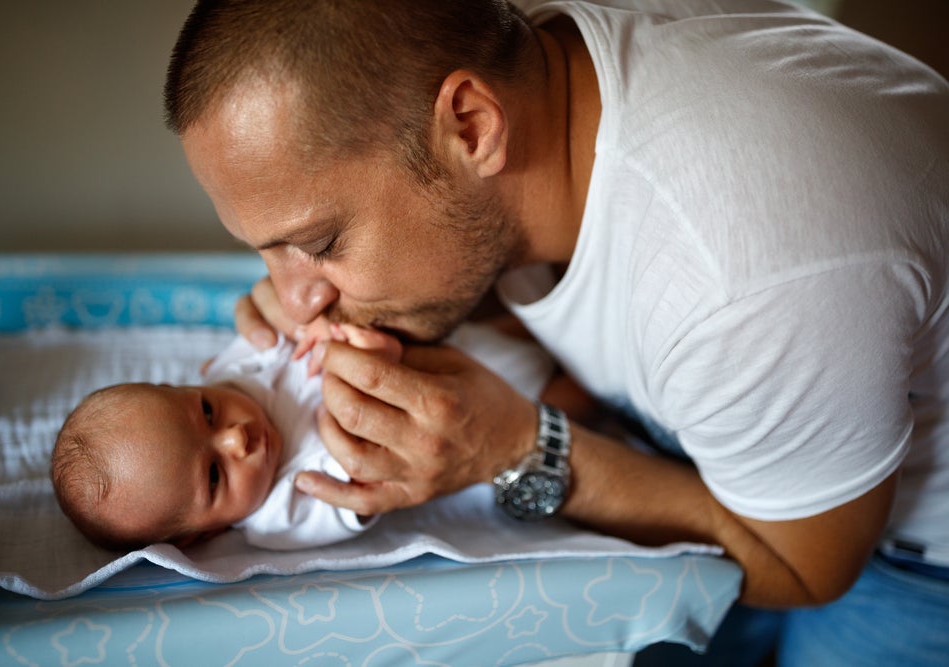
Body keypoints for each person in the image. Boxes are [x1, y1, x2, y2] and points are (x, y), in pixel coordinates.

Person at [163, 0, 949, 663]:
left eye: (322, 241)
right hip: (741, 444)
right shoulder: (545, 77)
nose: (295, 296)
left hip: (896, 558)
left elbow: (806, 567)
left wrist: (515, 450)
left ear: (471, 125)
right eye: (269, 250)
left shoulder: (744, 270)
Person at [52, 318, 561, 551]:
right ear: (203, 533)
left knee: (517, 328)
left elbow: (295, 330)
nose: (235, 438)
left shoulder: (235, 366)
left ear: (184, 386)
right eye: (213, 476)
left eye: (205, 411)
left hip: (448, 344)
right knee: (565, 400)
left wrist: (333, 330)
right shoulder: (281, 515)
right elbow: (365, 484)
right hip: (481, 417)